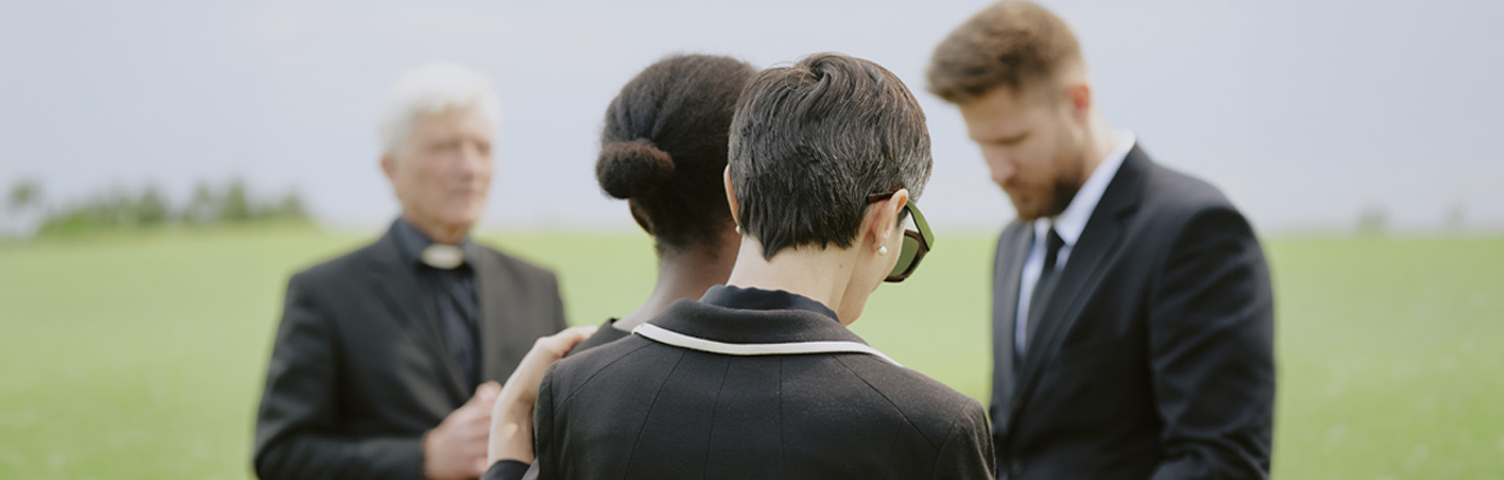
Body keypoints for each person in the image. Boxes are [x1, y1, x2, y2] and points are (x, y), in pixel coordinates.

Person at [525, 52, 994, 480]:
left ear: (734, 193)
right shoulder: (933, 428)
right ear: (884, 218)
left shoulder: (577, 392)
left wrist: (507, 458)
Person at [925, 2, 1277, 478]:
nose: (997, 171)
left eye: (1013, 141)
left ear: (1078, 100)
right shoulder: (1014, 243)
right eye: (981, 144)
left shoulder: (1194, 232)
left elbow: (1220, 462)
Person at [252, 62, 569, 480]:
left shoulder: (536, 285)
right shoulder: (324, 293)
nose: (470, 168)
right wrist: (423, 458)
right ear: (390, 168)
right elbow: (281, 455)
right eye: (445, 148)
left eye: (483, 147)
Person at [476, 53, 759, 480]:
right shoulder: (820, 380)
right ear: (751, 197)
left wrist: (509, 439)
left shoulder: (567, 386)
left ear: (639, 211)